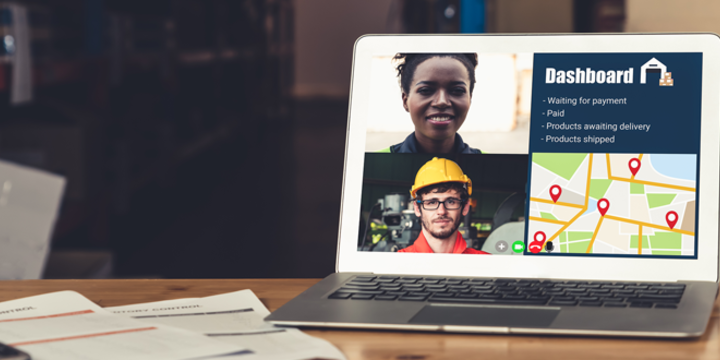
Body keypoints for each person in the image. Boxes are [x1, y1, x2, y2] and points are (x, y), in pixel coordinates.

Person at [379, 53, 482, 154]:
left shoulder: (492, 167)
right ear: (405, 101)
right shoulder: (373, 165)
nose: (442, 102)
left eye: (458, 90)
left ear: (470, 98)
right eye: (425, 90)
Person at [399, 157, 489, 254]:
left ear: (465, 207)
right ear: (417, 208)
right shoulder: (397, 263)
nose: (441, 211)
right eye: (432, 202)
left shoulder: (486, 263)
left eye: (450, 202)